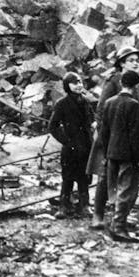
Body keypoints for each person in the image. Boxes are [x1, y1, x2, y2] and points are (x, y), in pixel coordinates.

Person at [88, 44, 139, 230]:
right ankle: (98, 214)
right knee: (105, 175)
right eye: (131, 61)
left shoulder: (137, 83)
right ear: (122, 63)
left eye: (137, 61)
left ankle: (120, 217)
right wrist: (104, 134)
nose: (135, 64)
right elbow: (102, 108)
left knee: (126, 178)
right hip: (110, 135)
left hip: (128, 137)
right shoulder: (113, 81)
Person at [97, 69, 139, 242]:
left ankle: (115, 224)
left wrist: (105, 152)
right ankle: (118, 227)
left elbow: (104, 131)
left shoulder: (110, 102)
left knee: (114, 190)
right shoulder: (134, 104)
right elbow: (136, 135)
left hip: (111, 153)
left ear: (121, 83)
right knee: (127, 190)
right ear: (136, 86)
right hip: (127, 155)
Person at [48, 72, 94, 217]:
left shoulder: (86, 102)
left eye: (80, 82)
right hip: (70, 147)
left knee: (84, 177)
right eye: (75, 83)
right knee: (67, 177)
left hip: (86, 146)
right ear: (68, 86)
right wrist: (66, 141)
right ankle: (64, 206)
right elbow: (53, 126)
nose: (79, 85)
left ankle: (84, 205)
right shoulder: (62, 103)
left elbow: (92, 121)